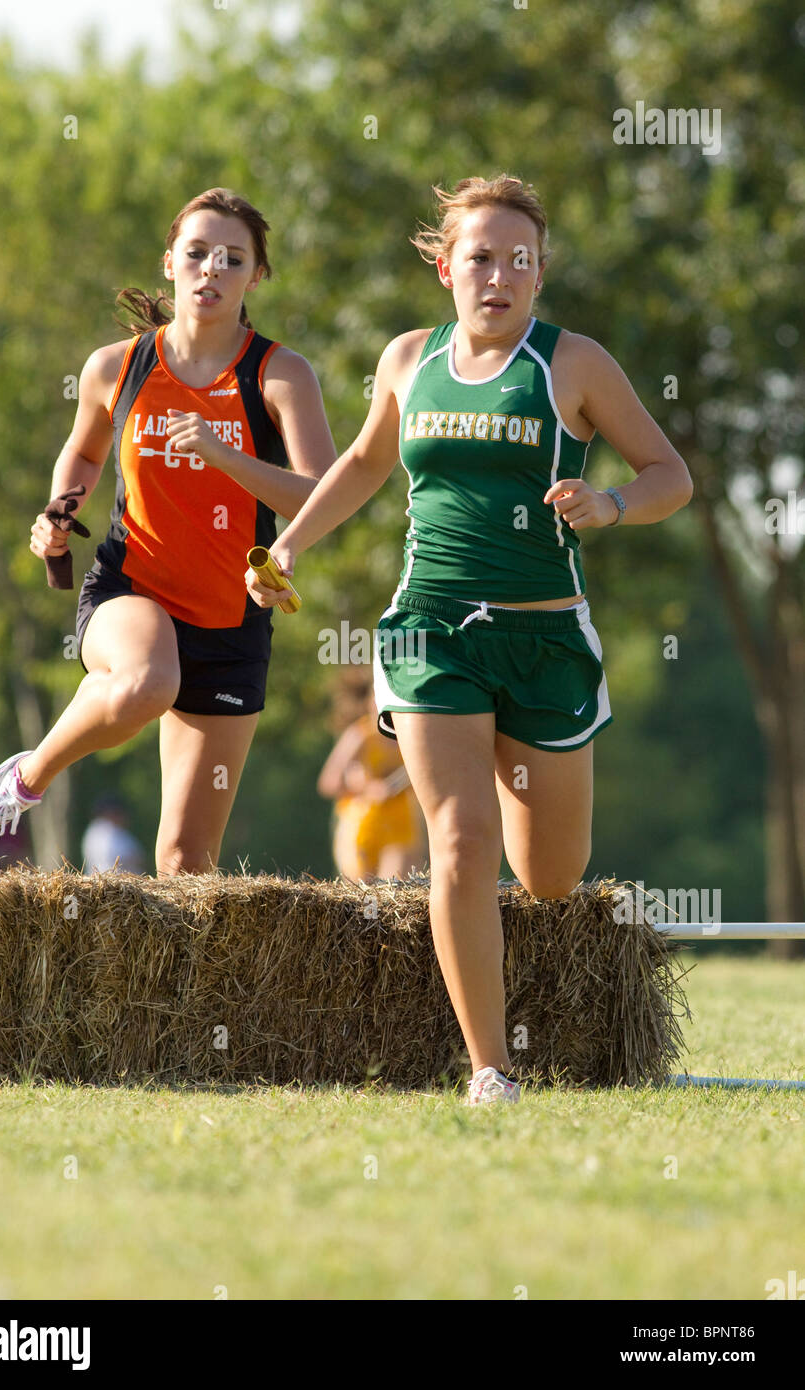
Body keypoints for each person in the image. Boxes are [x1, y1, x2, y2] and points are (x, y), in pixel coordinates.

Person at [247, 175, 693, 1105]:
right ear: (446, 266)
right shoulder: (410, 359)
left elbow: (670, 476)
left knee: (551, 878)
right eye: (480, 257)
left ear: (539, 275)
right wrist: (287, 541)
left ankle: (503, 751)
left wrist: (608, 504)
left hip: (545, 645)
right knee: (458, 838)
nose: (498, 275)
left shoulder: (575, 365)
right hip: (431, 634)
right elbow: (365, 464)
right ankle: (490, 1069)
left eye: (517, 260)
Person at [0, 188, 336, 873]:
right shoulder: (117, 366)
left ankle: (175, 987)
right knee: (147, 682)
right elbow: (87, 452)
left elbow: (323, 493)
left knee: (187, 860)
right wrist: (58, 512)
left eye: (232, 258)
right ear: (171, 264)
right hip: (132, 590)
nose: (212, 268)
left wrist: (225, 455)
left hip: (230, 623)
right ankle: (22, 783)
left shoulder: (280, 374)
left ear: (256, 276)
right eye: (197, 253)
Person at [317, 675, 427, 881]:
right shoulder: (361, 734)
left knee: (395, 890)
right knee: (363, 898)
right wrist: (368, 788)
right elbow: (330, 782)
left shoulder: (412, 737)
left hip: (401, 824)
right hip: (361, 824)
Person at [81, 796, 146, 874]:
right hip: (111, 881)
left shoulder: (116, 831)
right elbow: (131, 857)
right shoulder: (101, 830)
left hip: (114, 880)